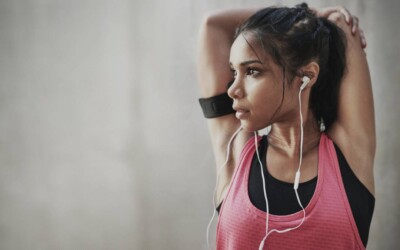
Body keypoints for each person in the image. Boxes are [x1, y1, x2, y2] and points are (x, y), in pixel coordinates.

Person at [197, 3, 375, 250]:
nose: (232, 90)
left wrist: (309, 22)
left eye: (252, 71)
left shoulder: (348, 153)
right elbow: (211, 26)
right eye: (233, 72)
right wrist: (307, 13)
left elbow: (342, 24)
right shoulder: (236, 152)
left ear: (307, 76)